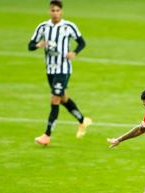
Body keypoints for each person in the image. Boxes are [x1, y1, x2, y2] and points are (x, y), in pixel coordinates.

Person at [28, 0, 92, 146]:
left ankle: (47, 135)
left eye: (57, 10)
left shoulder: (69, 26)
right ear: (49, 11)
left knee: (54, 99)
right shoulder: (43, 27)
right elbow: (30, 45)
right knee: (63, 98)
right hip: (50, 69)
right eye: (53, 10)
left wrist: (74, 52)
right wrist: (39, 44)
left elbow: (82, 42)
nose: (55, 13)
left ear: (61, 12)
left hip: (63, 69)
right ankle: (83, 121)